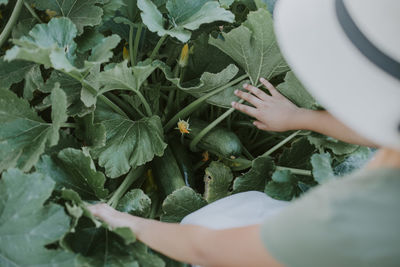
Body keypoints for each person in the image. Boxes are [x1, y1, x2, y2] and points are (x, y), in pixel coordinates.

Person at [88, 0, 400, 266]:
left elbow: (207, 247)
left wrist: (128, 222)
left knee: (208, 221)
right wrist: (298, 116)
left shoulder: (359, 216)